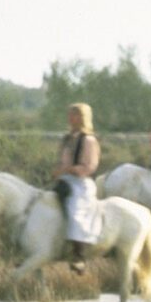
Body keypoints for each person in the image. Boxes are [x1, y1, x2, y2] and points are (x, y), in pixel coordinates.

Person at [52, 103, 102, 274]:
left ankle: (79, 255)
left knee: (75, 211)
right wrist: (58, 171)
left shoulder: (88, 140)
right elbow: (62, 161)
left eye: (74, 115)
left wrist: (67, 170)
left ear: (82, 118)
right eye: (70, 114)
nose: (70, 118)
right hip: (65, 179)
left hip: (81, 182)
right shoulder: (67, 138)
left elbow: (89, 166)